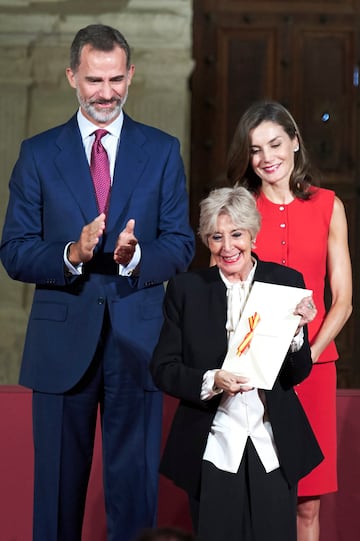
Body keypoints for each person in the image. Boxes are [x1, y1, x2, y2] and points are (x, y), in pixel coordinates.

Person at [0, 24, 194, 541]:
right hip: (61, 345)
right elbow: (14, 250)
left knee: (134, 500)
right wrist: (73, 253)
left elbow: (181, 243)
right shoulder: (38, 154)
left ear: (131, 75)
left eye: (115, 79)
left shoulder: (162, 150)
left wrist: (135, 258)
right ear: (71, 77)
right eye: (93, 80)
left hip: (139, 343)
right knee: (57, 500)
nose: (106, 92)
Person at [150, 186, 323, 541]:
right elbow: (163, 368)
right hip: (213, 443)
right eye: (217, 236)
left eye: (236, 234)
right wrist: (213, 379)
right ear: (206, 240)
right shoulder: (186, 289)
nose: (227, 247)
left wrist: (296, 335)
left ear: (253, 235)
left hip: (271, 442)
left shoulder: (286, 283)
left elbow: (296, 373)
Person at [226, 100, 353, 541]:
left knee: (307, 505)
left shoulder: (327, 206)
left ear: (295, 142)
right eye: (256, 149)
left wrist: (308, 357)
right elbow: (221, 294)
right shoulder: (239, 212)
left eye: (276, 144)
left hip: (313, 372)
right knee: (254, 494)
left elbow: (344, 301)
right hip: (252, 374)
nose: (267, 158)